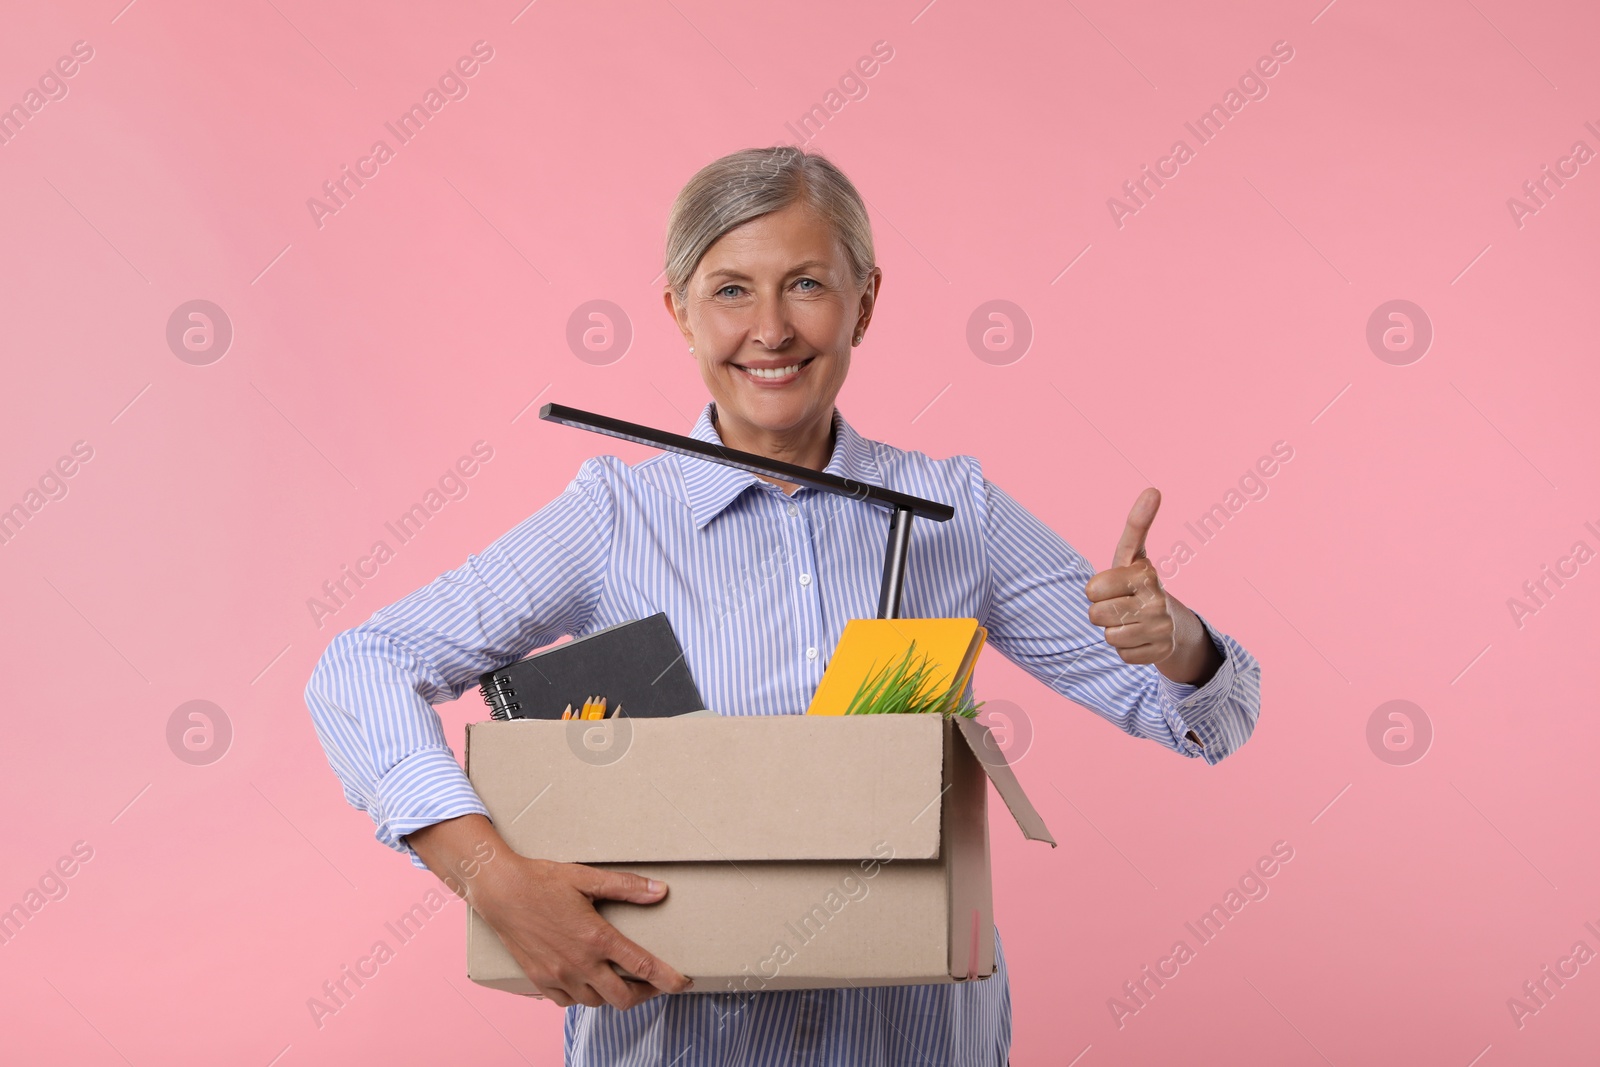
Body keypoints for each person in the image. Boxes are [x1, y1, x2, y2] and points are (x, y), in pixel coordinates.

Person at [304, 145, 1261, 1065]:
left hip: (917, 1042)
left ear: (866, 301)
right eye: (730, 290)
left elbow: (1209, 718)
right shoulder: (615, 516)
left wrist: (1175, 641)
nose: (770, 330)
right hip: (675, 1037)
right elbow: (360, 666)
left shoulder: (953, 511)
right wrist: (491, 878)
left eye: (806, 283)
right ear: (678, 311)